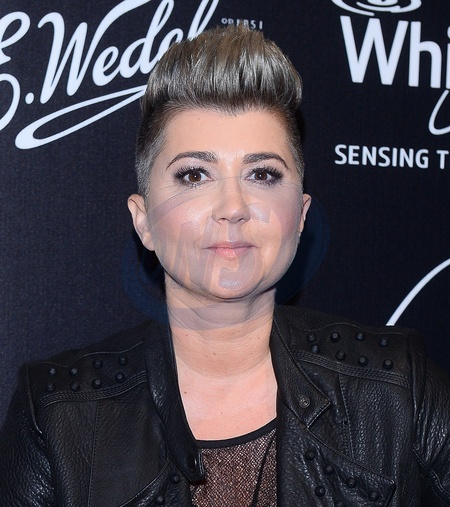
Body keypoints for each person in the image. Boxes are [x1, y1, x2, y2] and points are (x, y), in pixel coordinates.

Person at [1, 25, 449, 507]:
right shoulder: (57, 410)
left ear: (300, 216)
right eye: (195, 174)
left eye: (262, 174)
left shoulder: (398, 384)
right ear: (143, 220)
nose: (232, 207)